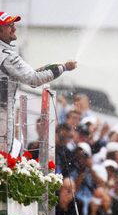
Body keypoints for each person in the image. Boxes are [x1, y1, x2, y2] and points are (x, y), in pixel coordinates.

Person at [0, 11, 77, 151]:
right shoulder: (6, 55)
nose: (14, 28)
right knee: (4, 158)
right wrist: (64, 68)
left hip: (4, 112)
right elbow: (33, 79)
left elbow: (31, 73)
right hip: (2, 115)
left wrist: (59, 66)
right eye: (10, 25)